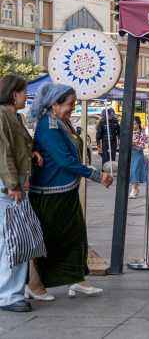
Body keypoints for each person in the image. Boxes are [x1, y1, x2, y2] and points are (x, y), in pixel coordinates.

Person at [27, 83, 112, 300]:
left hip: (63, 189)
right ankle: (34, 284)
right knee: (50, 239)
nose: (72, 108)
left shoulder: (60, 122)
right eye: (70, 104)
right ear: (54, 104)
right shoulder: (49, 125)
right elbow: (65, 160)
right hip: (50, 192)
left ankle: (76, 279)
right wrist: (97, 175)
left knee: (73, 235)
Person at [0, 75, 43, 311]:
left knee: (12, 239)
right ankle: (8, 296)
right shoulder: (2, 116)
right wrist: (13, 184)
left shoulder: (13, 116)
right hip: (8, 186)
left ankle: (11, 292)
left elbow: (17, 146)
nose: (26, 95)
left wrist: (33, 151)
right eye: (24, 92)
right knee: (11, 241)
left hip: (12, 184)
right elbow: (3, 153)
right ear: (13, 93)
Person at [128, 117, 147, 199]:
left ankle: (133, 191)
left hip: (137, 155)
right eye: (132, 123)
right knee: (131, 173)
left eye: (135, 124)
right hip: (129, 155)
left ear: (139, 124)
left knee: (134, 172)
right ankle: (135, 188)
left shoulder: (141, 134)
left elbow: (142, 146)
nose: (133, 125)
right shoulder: (128, 132)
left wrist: (134, 144)